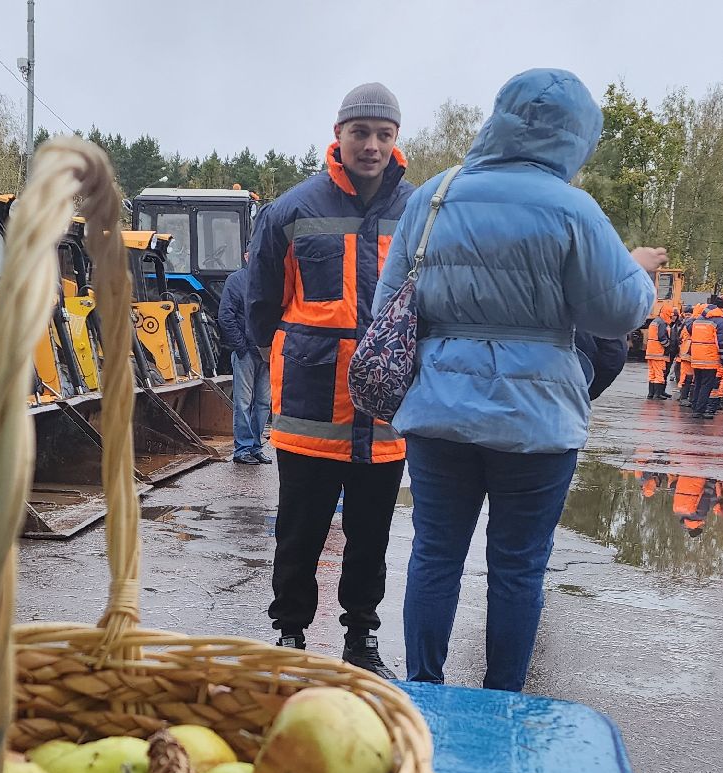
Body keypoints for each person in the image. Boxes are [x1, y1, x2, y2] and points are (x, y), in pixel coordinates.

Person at [375, 68, 661, 693]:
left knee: (435, 556)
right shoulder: (572, 208)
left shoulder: (435, 196)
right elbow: (617, 313)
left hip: (439, 411)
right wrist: (639, 272)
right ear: (577, 135)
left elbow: (387, 303)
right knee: (518, 569)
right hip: (537, 417)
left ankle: (424, 692)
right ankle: (502, 701)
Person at [245, 82, 416, 676]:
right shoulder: (291, 211)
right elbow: (262, 303)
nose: (371, 145)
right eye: (360, 132)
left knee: (371, 536)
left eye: (383, 134)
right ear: (338, 135)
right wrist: (294, 353)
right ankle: (290, 634)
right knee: (299, 531)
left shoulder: (416, 212)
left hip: (385, 412)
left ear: (396, 139)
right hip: (310, 406)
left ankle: (360, 639)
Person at [216, 260, 270, 464]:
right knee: (243, 402)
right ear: (247, 256)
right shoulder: (236, 280)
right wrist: (241, 346)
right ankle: (243, 449)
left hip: (267, 353)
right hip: (246, 352)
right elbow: (225, 316)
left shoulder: (271, 280)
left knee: (263, 403)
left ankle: (256, 447)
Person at [685, 297, 723, 419]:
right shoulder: (720, 321)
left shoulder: (699, 320)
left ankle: (695, 406)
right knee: (706, 385)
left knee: (698, 383)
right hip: (710, 359)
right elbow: (721, 343)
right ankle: (699, 410)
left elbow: (688, 328)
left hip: (696, 357)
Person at [642, 302, 681, 399]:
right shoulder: (662, 323)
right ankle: (657, 394)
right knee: (659, 373)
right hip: (659, 353)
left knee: (652, 373)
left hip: (651, 352)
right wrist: (668, 347)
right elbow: (662, 338)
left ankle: (651, 393)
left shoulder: (655, 321)